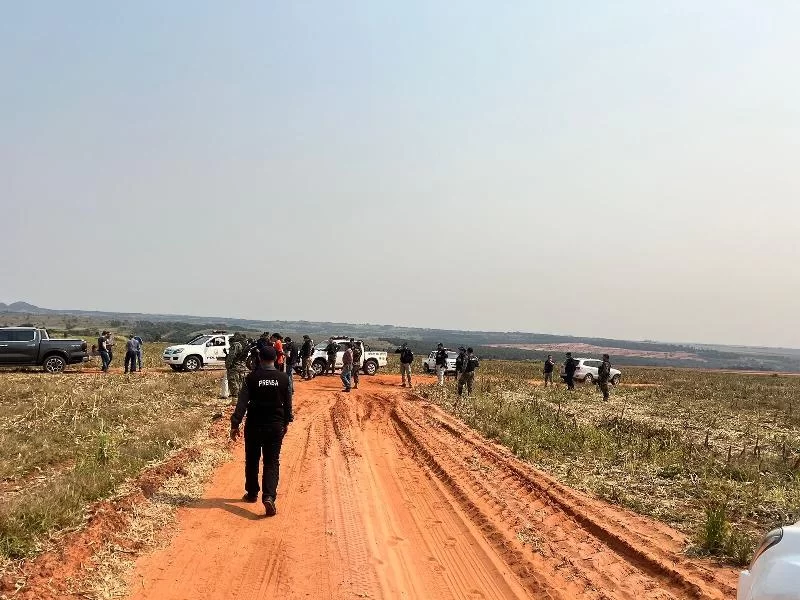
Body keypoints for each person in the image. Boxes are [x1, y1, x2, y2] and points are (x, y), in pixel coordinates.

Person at [230, 346, 292, 517]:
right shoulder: (283, 378)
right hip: (275, 426)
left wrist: (235, 424)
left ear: (259, 359)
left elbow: (242, 403)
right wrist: (286, 421)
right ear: (274, 359)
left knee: (252, 459)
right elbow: (287, 403)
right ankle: (269, 496)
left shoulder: (252, 378)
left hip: (254, 425)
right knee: (272, 462)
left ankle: (251, 493)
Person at [225, 333, 250, 399]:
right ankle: (241, 399)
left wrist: (228, 365)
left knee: (233, 382)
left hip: (234, 366)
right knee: (241, 383)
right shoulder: (245, 344)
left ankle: (235, 400)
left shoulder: (236, 344)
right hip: (242, 366)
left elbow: (231, 356)